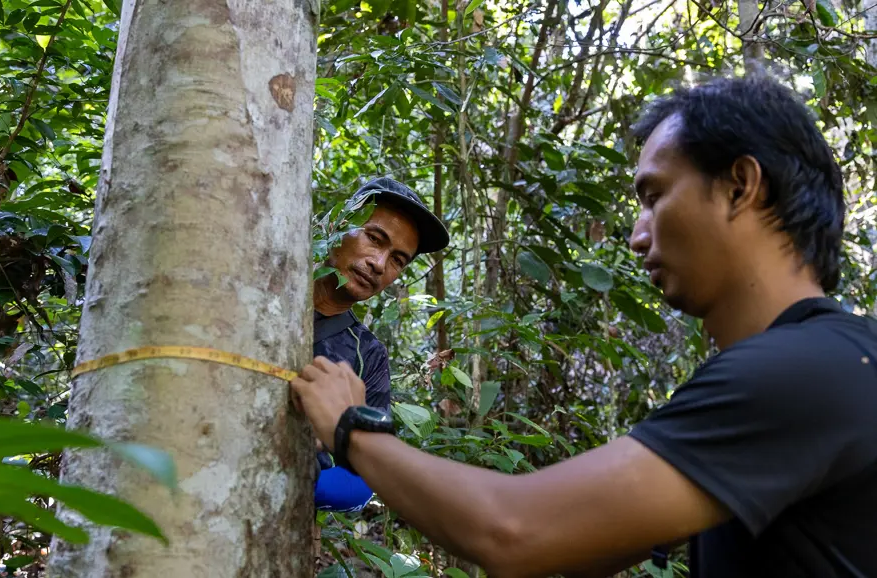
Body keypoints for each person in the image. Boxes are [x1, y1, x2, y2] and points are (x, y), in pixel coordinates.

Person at [290, 75, 877, 577]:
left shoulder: (807, 371)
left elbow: (513, 530)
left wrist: (351, 431)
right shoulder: (814, 366)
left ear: (740, 186)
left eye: (655, 196)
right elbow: (580, 548)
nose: (638, 234)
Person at [311, 177, 449, 513]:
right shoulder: (262, 287)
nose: (379, 264)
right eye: (374, 238)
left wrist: (302, 475)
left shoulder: (367, 354)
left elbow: (363, 477)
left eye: (398, 260)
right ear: (338, 224)